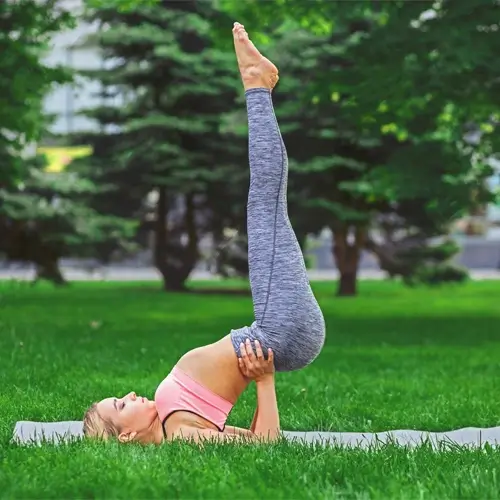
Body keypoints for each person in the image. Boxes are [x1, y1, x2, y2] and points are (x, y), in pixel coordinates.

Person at [83, 22, 326, 445]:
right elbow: (264, 445)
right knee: (265, 201)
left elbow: (246, 436)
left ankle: (257, 86)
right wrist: (265, 382)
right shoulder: (180, 435)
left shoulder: (171, 423)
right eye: (120, 406)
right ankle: (256, 86)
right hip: (278, 332)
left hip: (274, 330)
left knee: (267, 202)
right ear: (127, 436)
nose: (128, 394)